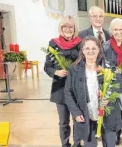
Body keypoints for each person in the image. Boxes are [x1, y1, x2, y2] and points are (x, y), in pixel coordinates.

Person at [64, 36, 122, 147]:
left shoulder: (108, 66)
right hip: (87, 114)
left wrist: (109, 98)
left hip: (107, 113)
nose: (90, 51)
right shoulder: (75, 69)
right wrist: (76, 112)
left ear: (99, 49)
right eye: (87, 48)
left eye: (94, 48)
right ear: (82, 50)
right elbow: (68, 92)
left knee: (110, 144)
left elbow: (119, 84)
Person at [44, 15, 81, 147]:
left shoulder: (80, 43)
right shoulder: (53, 43)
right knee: (63, 121)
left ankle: (77, 144)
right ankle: (65, 145)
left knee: (78, 119)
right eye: (65, 26)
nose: (68, 29)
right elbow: (47, 67)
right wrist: (56, 72)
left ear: (74, 28)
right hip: (60, 88)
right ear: (60, 28)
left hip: (76, 88)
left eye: (70, 26)